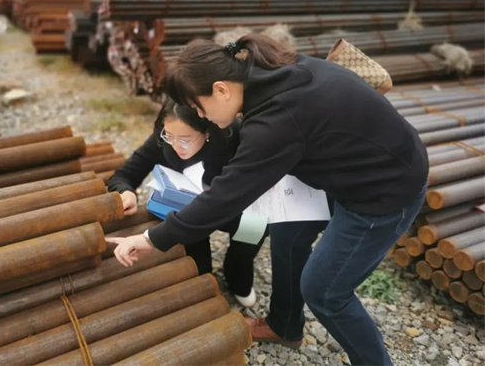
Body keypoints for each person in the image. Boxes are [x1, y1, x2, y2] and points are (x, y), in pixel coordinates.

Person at [107, 34, 429, 366]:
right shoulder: (266, 71)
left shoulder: (274, 119)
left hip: (383, 190)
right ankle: (284, 325)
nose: (199, 115)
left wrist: (151, 239)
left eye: (198, 106)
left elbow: (226, 195)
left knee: (324, 291)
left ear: (221, 89)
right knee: (288, 232)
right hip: (351, 166)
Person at [107, 98, 268, 307]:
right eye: (169, 136)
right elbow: (123, 175)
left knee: (253, 231)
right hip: (192, 215)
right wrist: (126, 191)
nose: (176, 146)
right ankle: (204, 277)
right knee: (198, 267)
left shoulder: (233, 134)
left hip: (238, 207)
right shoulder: (163, 139)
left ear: (207, 131)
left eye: (185, 139)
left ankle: (237, 273)